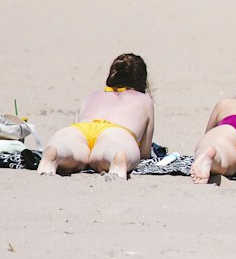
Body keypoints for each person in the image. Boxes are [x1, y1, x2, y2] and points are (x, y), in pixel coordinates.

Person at [38, 51, 154, 180]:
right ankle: (117, 155)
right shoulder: (144, 100)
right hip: (116, 133)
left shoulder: (93, 95)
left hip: (79, 129)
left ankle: (56, 152)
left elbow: (77, 121)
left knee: (70, 150)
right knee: (112, 151)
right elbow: (144, 152)